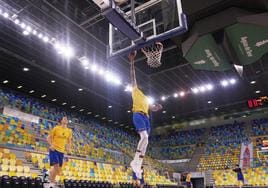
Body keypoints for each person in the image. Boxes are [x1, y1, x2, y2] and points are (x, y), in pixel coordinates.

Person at [128, 51, 162, 179]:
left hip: (146, 118)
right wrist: (132, 62)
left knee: (146, 143)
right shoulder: (135, 90)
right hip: (137, 115)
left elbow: (151, 108)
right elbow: (132, 76)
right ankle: (135, 161)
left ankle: (138, 165)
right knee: (145, 138)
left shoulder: (146, 98)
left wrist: (156, 107)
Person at [45, 116, 72, 188]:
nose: (66, 119)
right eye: (64, 118)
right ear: (61, 121)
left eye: (67, 119)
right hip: (54, 149)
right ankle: (51, 184)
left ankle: (49, 172)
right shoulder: (56, 128)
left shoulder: (69, 131)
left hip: (62, 151)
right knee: (56, 166)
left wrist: (69, 149)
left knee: (58, 170)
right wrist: (51, 145)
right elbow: (48, 138)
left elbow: (69, 142)